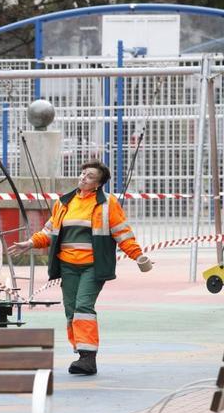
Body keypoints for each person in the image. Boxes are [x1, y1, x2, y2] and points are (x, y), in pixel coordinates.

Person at [8, 160, 153, 375]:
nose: (84, 177)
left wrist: (138, 256)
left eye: (90, 176)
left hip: (93, 267)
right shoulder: (64, 203)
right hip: (68, 266)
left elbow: (122, 233)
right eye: (83, 173)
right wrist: (30, 243)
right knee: (71, 311)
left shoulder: (107, 204)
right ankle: (81, 352)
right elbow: (49, 232)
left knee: (83, 307)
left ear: (98, 184)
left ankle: (88, 358)